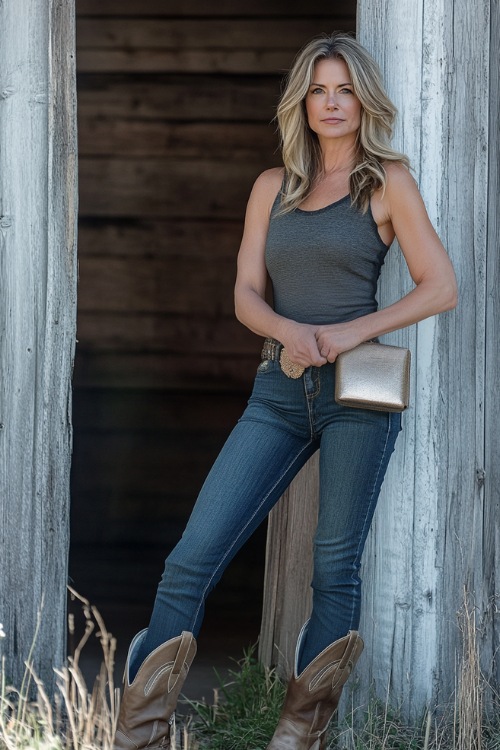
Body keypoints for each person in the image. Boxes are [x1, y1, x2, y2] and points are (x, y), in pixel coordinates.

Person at [112, 32, 457, 750]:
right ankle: (138, 733)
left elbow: (440, 287)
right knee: (191, 558)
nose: (332, 104)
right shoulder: (273, 188)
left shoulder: (385, 180)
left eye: (344, 90)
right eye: (318, 91)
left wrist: (345, 332)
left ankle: (298, 737)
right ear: (301, 102)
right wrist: (290, 332)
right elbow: (244, 293)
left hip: (356, 393)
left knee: (334, 564)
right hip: (278, 388)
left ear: (363, 101)